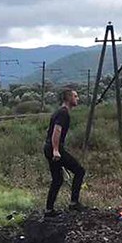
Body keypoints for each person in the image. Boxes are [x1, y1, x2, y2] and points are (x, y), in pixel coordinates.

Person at [43, 88, 86, 217]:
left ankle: (49, 210)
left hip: (49, 147)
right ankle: (74, 203)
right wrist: (56, 150)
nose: (77, 98)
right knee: (79, 171)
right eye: (75, 96)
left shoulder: (60, 112)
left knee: (57, 179)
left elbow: (50, 130)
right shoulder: (63, 113)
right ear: (69, 98)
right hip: (54, 148)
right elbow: (57, 130)